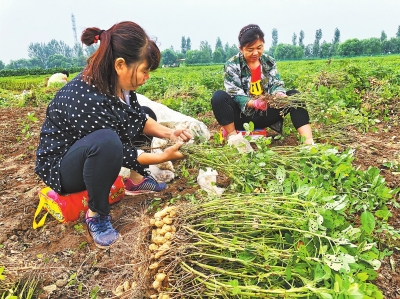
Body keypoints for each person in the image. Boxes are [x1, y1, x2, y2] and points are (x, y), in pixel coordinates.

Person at [35, 21, 192, 248]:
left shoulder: (118, 84)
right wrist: (161, 157)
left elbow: (137, 118)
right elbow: (121, 153)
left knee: (145, 113)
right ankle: (96, 215)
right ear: (120, 64)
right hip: (62, 167)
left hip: (89, 152)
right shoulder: (84, 96)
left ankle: (135, 181)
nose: (147, 77)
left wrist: (171, 133)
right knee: (107, 142)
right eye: (144, 70)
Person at [211, 24, 314, 149]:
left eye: (259, 47)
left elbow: (276, 83)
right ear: (241, 49)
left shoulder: (268, 61)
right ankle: (234, 138)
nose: (255, 52)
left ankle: (308, 142)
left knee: (294, 96)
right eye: (250, 49)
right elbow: (234, 93)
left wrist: (279, 94)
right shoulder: (232, 65)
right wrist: (253, 103)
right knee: (218, 97)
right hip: (241, 117)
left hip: (265, 114)